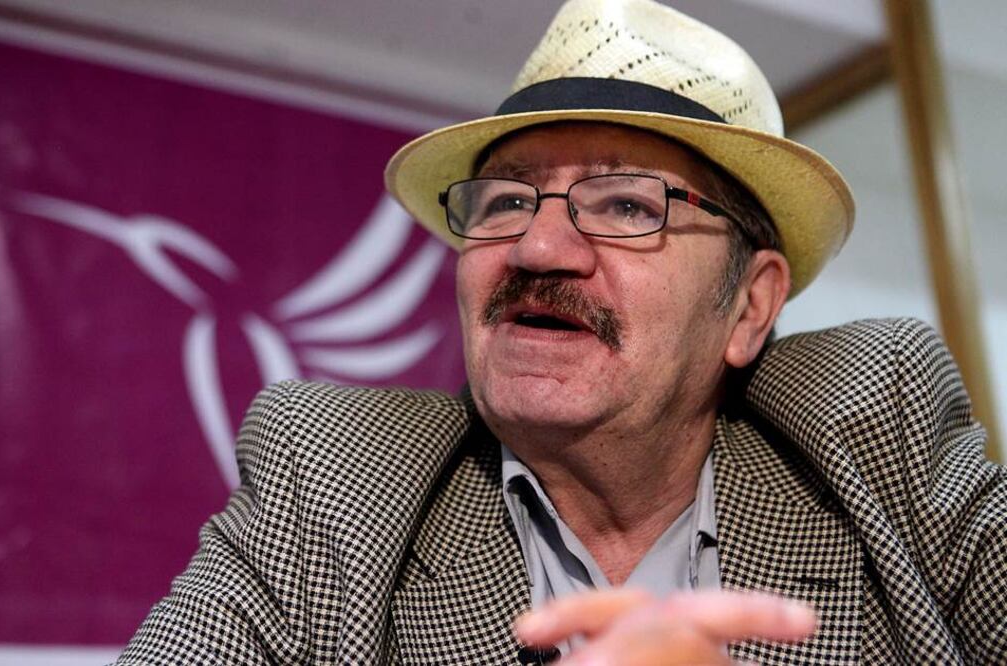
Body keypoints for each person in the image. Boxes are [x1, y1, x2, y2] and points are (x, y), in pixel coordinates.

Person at [115, 0, 1006, 663]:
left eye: (625, 204)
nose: (536, 246)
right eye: (504, 201)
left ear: (749, 306)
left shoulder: (870, 420)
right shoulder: (337, 474)